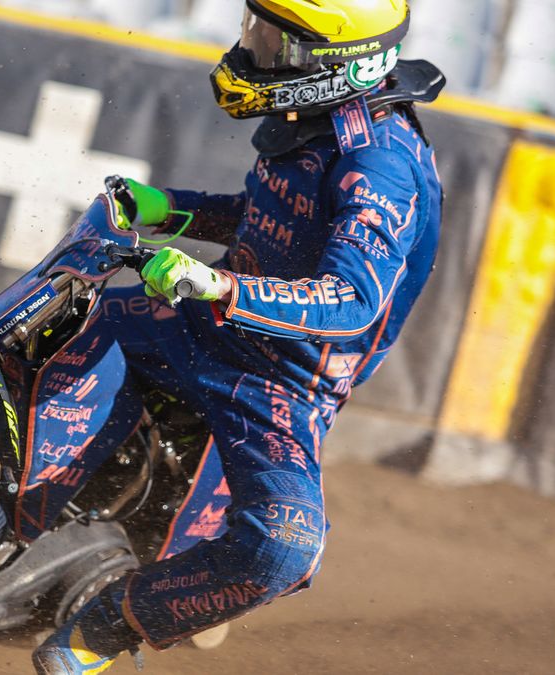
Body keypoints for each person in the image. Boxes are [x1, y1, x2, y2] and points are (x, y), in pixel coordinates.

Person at [32, 0, 443, 672]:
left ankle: (108, 624)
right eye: (255, 25)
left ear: (332, 62)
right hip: (192, 323)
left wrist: (221, 287)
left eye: (273, 38)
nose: (252, 45)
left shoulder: (381, 166)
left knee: (283, 549)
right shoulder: (317, 116)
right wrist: (170, 209)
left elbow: (351, 300)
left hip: (280, 385)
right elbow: (268, 217)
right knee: (38, 330)